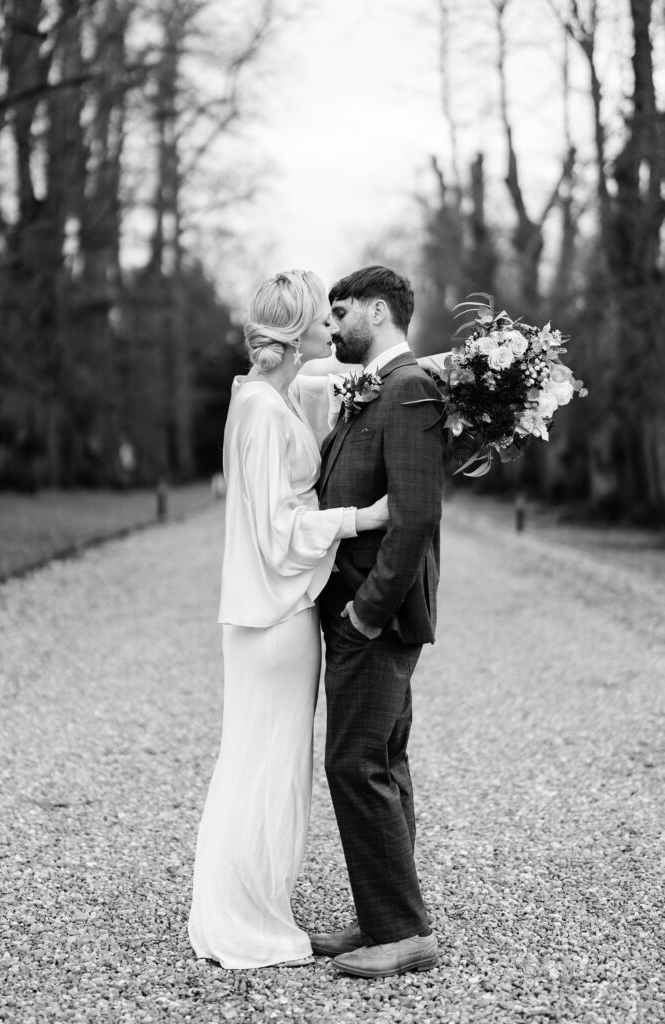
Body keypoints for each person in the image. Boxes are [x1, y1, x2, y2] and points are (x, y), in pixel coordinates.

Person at [187, 269, 389, 970]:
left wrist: (459, 367)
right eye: (321, 320)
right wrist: (359, 517)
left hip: (255, 618)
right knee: (268, 768)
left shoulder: (258, 396)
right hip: (276, 617)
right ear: (297, 329)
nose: (333, 329)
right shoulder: (269, 412)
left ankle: (244, 902)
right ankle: (247, 917)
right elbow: (279, 527)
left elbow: (340, 374)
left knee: (251, 759)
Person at [310, 266, 446, 978]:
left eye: (338, 314)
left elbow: (416, 515)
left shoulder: (409, 387)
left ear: (376, 310)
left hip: (376, 618)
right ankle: (380, 916)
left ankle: (403, 932)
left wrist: (366, 613)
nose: (330, 328)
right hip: (360, 612)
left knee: (352, 763)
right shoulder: (376, 389)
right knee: (381, 764)